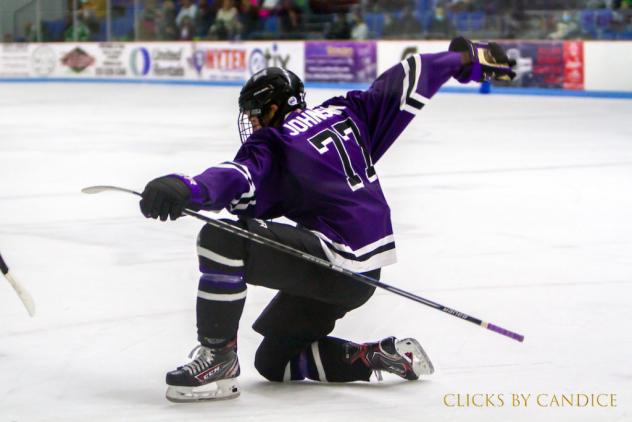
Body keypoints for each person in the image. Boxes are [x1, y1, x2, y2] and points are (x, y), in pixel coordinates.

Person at [139, 37, 515, 402]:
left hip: (335, 260)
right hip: (364, 275)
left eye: (255, 113)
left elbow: (239, 177)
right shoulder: (348, 111)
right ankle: (380, 356)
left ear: (273, 108)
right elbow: (409, 76)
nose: (252, 123)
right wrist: (463, 60)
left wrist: (188, 188)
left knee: (220, 239)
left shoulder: (275, 142)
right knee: (275, 361)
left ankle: (217, 358)